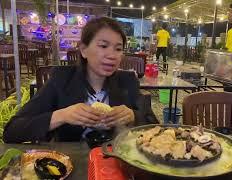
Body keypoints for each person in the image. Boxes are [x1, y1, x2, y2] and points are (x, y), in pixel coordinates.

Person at [4, 17, 157, 143]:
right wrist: (62, 115)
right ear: (84, 50)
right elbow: (12, 131)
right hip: (73, 164)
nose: (112, 55)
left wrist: (133, 117)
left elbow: (154, 124)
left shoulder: (127, 80)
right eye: (103, 46)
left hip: (116, 161)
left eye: (118, 48)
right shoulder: (62, 78)